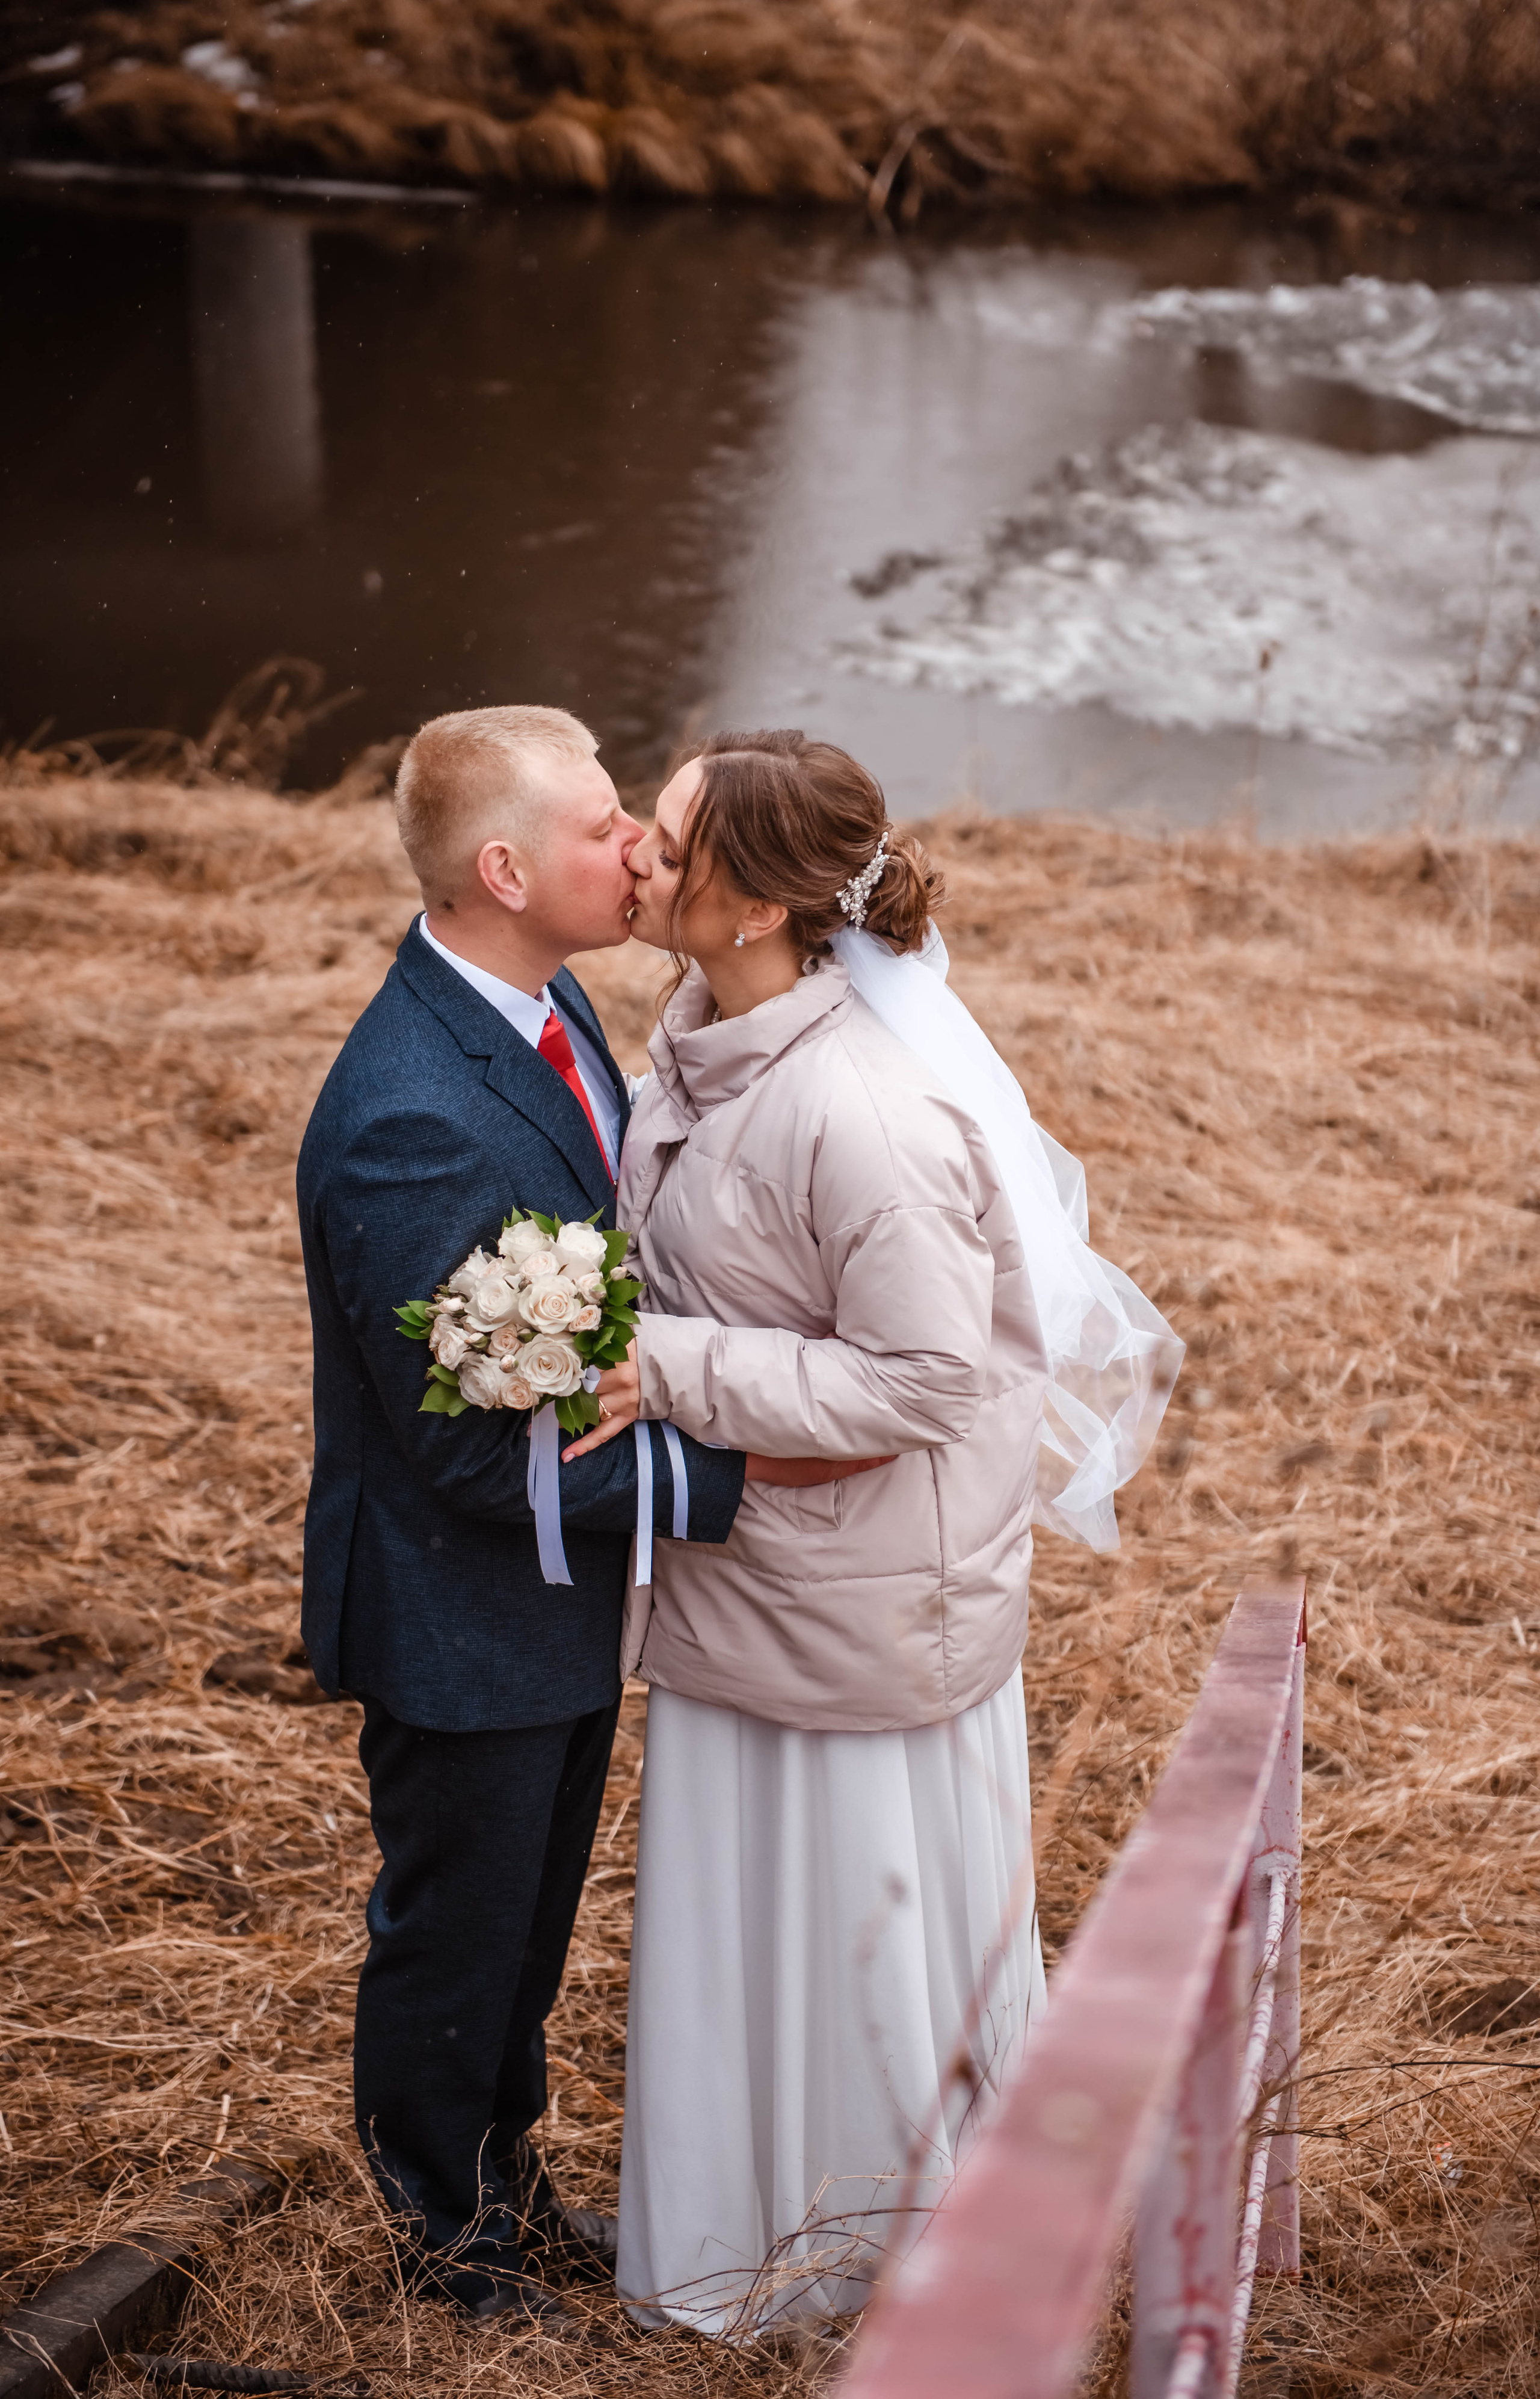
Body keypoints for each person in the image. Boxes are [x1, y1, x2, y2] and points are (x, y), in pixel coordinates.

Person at [569, 728, 1180, 2338]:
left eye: (672, 833)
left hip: (853, 1609)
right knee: (744, 1920)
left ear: (762, 897)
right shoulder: (701, 1020)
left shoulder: (866, 1114)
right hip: (760, 1581)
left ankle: (872, 2266)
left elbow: (923, 1374)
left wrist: (665, 1369)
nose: (632, 845)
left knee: (848, 1927)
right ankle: (737, 2235)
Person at [295, 705, 881, 2329]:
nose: (638, 846)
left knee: (529, 1919)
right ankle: (443, 2229)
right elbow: (471, 1456)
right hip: (458, 1607)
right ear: (504, 867)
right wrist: (737, 1478)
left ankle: (508, 2176)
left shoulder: (540, 1012)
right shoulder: (416, 1109)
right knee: (458, 1923)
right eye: (604, 821)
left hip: (548, 1603)